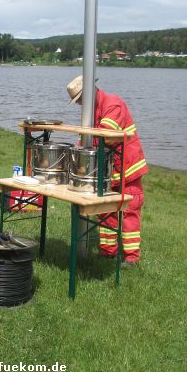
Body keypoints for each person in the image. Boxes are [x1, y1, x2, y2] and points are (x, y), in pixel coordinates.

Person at [66, 76, 148, 268]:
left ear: (88, 93)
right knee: (106, 212)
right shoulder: (91, 111)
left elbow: (106, 136)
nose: (79, 103)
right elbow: (87, 140)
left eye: (79, 99)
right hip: (109, 172)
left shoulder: (113, 104)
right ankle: (108, 252)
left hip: (128, 169)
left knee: (129, 212)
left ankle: (131, 258)